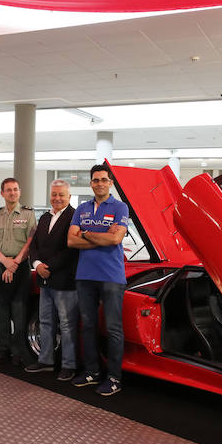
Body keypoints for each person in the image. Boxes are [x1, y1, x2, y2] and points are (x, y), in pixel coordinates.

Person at [67, 164, 129, 396]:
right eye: (96, 180)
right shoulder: (81, 208)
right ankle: (92, 372)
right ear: (91, 183)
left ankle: (114, 378)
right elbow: (71, 242)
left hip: (112, 277)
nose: (100, 183)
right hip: (85, 276)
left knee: (113, 328)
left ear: (110, 183)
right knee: (89, 326)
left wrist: (85, 233)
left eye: (104, 179)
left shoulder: (120, 207)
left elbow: (116, 240)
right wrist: (101, 236)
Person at [27, 180, 79, 377]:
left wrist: (49, 267)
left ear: (69, 196)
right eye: (54, 194)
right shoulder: (44, 218)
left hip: (65, 281)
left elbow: (70, 249)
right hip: (44, 279)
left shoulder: (74, 217)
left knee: (67, 325)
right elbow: (34, 246)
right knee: (46, 322)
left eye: (61, 195)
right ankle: (46, 361)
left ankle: (69, 366)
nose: (57, 198)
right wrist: (37, 264)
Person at [0, 177, 36, 367]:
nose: (12, 193)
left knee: (19, 311)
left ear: (19, 192)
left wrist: (14, 263)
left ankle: (18, 351)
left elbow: (30, 243)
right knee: (1, 311)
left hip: (20, 266)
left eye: (15, 189)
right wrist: (6, 262)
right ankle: (3, 348)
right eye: (8, 190)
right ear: (2, 193)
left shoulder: (28, 214)